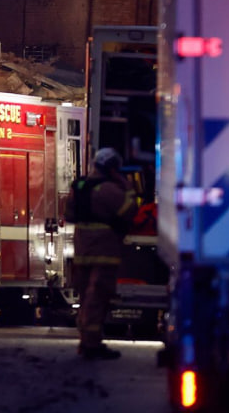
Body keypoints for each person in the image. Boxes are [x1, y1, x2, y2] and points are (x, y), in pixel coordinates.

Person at [65, 147, 136, 360]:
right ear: (112, 168)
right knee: (98, 297)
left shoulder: (79, 187)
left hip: (81, 250)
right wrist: (127, 187)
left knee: (86, 296)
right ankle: (91, 344)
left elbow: (69, 215)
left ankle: (85, 340)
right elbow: (130, 210)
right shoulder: (108, 190)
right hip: (104, 251)